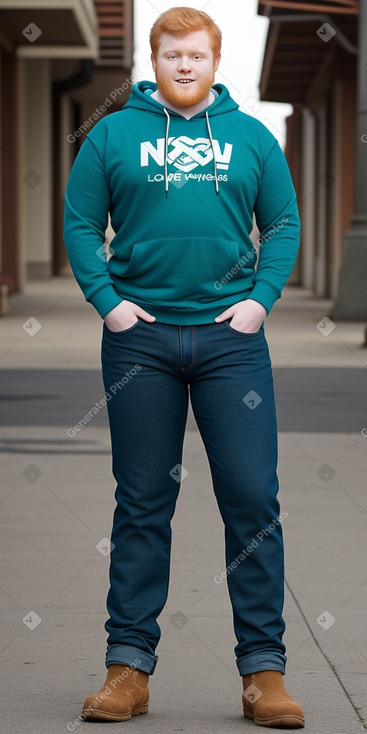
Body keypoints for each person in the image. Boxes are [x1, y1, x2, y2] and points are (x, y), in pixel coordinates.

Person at [63, 6, 305, 729]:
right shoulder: (111, 135)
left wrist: (260, 300)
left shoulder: (251, 138)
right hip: (141, 341)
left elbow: (283, 223)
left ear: (214, 59)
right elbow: (80, 222)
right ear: (154, 59)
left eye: (196, 56)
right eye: (172, 56)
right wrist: (106, 301)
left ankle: (263, 674)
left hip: (231, 340)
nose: (185, 67)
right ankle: (126, 670)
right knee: (141, 503)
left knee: (252, 502)